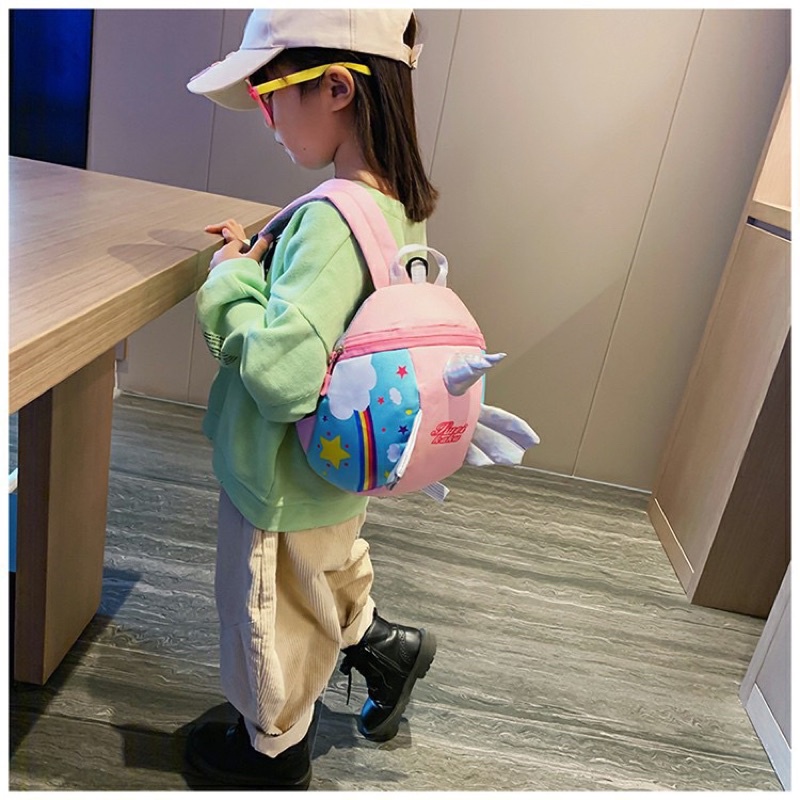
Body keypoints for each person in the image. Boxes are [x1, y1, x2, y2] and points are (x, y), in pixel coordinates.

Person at [184, 8, 438, 790]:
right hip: (335, 470)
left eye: (269, 97)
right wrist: (261, 261)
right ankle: (386, 652)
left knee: (267, 616)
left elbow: (281, 378)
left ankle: (272, 754)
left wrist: (230, 281)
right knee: (320, 575)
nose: (266, 121)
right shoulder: (391, 207)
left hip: (280, 478)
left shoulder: (328, 220)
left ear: (335, 88)